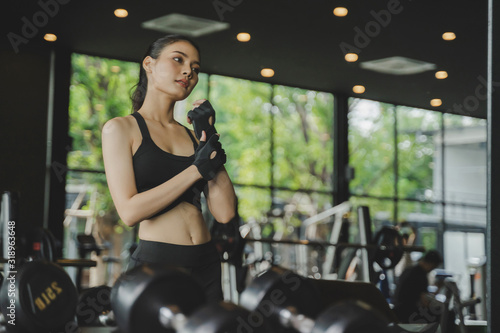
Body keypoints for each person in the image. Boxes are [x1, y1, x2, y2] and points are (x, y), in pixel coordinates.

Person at [102, 34, 236, 303]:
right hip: (158, 264)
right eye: (178, 60)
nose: (188, 71)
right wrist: (195, 170)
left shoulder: (192, 136)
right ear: (149, 65)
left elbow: (225, 213)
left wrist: (208, 136)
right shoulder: (121, 128)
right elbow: (129, 212)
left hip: (206, 262)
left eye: (195, 69)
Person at [392, 250, 443, 324]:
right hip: (408, 313)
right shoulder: (421, 275)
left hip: (398, 311)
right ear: (431, 264)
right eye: (434, 267)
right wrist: (438, 290)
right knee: (443, 314)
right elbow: (425, 302)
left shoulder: (409, 270)